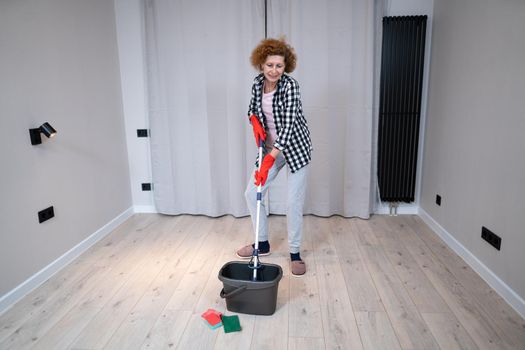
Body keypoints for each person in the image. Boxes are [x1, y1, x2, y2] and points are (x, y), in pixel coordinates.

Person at [236, 38, 313, 277]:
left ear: (285, 66)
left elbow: (289, 127)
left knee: (293, 202)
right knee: (252, 192)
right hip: (270, 148)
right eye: (270, 65)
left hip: (295, 149)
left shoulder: (291, 86)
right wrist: (254, 123)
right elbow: (252, 108)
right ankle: (263, 244)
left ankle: (295, 252)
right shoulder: (257, 83)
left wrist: (270, 158)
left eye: (279, 66)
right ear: (261, 64)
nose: (274, 70)